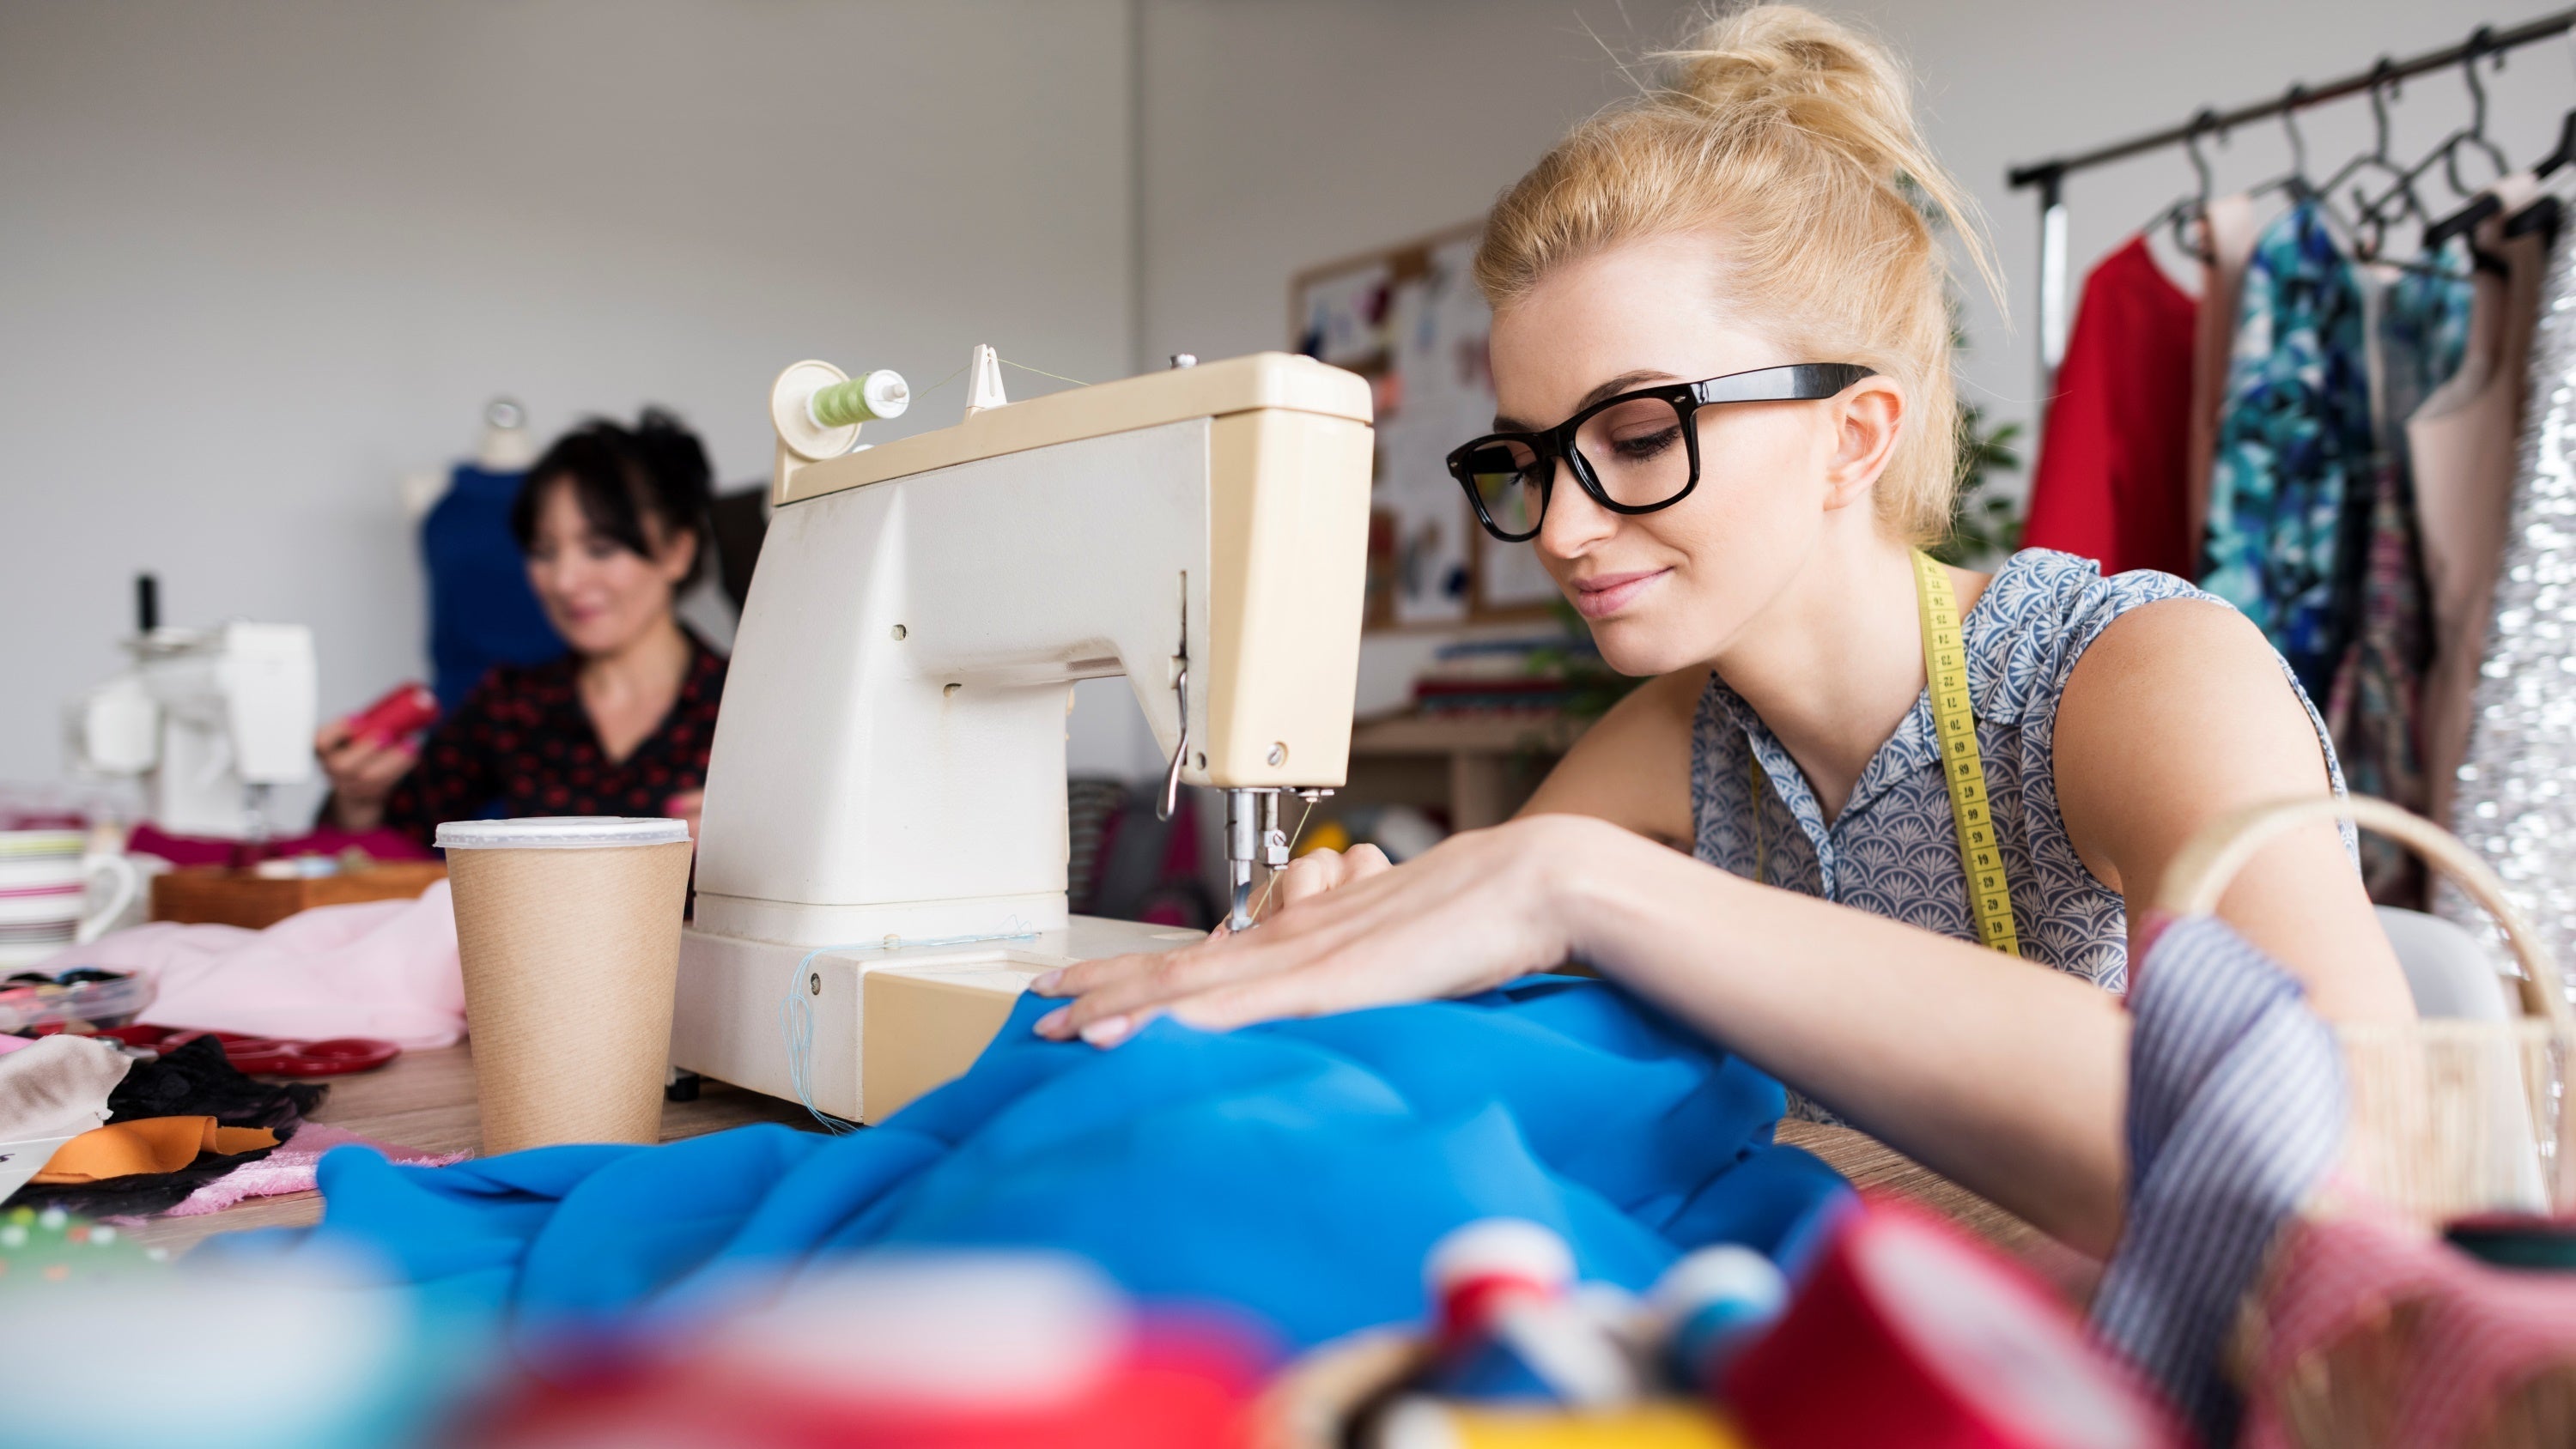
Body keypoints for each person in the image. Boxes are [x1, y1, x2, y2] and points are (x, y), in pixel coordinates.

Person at [1032, 7, 2415, 1258]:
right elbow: (1468, 1027)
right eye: (1529, 459)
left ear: (1854, 435)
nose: (1565, 530)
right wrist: (1356, 928)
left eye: (1639, 437)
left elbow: (2349, 1151)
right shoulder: (1677, 746)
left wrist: (1585, 883)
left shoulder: (2124, 677)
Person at [318, 409, 728, 846]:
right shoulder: (512, 703)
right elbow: (383, 847)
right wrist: (359, 798)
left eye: (601, 548)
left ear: (677, 552)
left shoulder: (748, 708)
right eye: (543, 551)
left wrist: (764, 844)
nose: (564, 581)